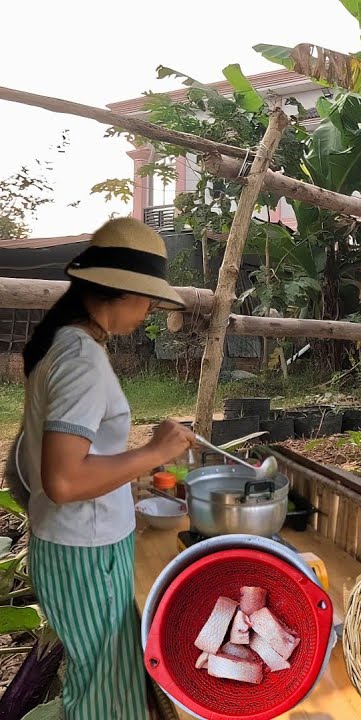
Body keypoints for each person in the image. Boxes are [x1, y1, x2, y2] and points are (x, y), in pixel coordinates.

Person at [8, 218, 196, 718]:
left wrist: (128, 481)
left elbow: (47, 459)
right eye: (147, 298)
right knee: (104, 698)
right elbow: (65, 480)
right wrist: (157, 451)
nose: (150, 310)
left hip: (76, 544)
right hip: (84, 552)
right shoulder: (81, 360)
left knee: (104, 682)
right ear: (119, 292)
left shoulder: (69, 344)